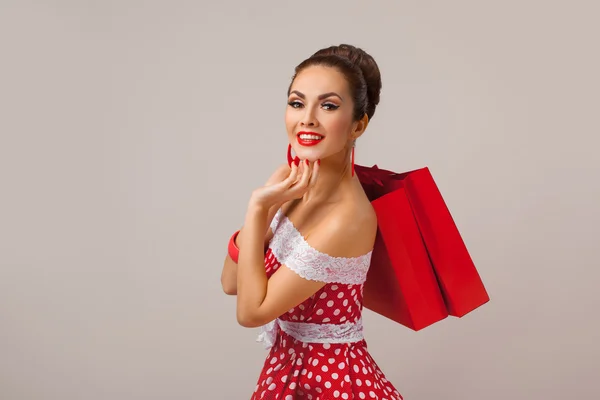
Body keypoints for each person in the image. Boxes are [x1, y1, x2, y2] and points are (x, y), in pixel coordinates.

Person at [221, 44, 403, 400]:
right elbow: (231, 282)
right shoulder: (291, 179)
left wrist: (259, 210)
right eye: (297, 102)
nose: (307, 119)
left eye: (329, 106)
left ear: (358, 125)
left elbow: (250, 312)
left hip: (330, 382)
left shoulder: (346, 219)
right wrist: (263, 208)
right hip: (289, 369)